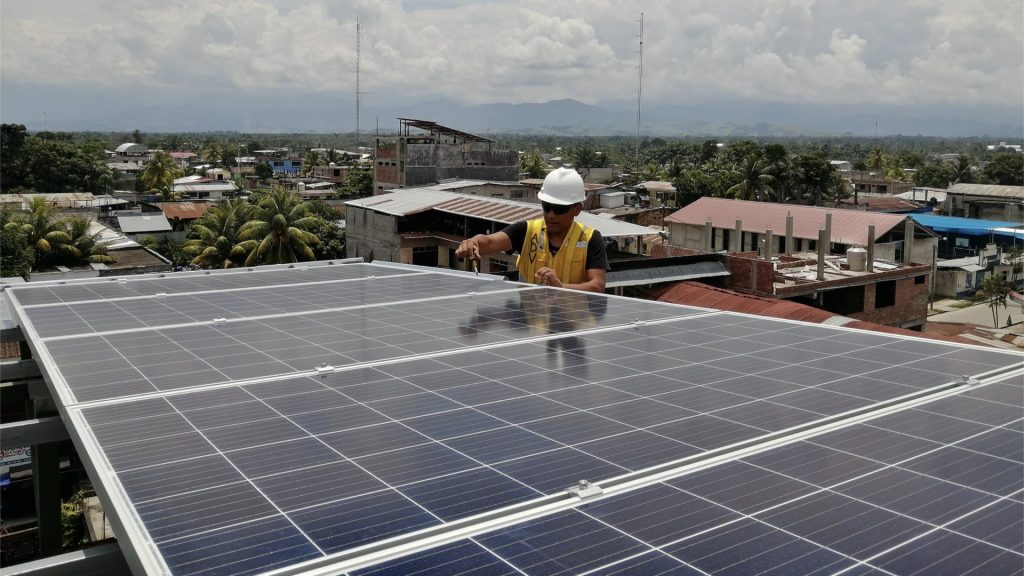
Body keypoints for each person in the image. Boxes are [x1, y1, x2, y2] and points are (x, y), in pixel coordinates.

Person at [456, 167, 608, 292]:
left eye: (559, 209)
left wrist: (561, 288)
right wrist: (473, 242)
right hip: (533, 322)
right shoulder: (526, 231)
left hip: (573, 322)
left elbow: (597, 285)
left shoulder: (590, 239)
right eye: (546, 207)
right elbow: (489, 242)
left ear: (577, 209)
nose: (551, 215)